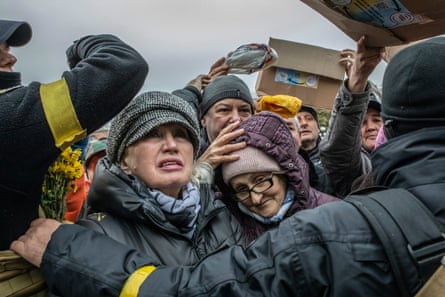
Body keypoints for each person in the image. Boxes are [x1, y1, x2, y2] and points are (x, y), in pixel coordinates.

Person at [11, 36, 445, 297]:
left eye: (180, 135)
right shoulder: (96, 231)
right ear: (120, 157)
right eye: (150, 135)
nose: (256, 196)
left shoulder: (231, 216)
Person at [0, 19, 148, 249]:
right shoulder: (8, 117)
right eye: (1, 51)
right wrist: (80, 47)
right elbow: (123, 63)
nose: (11, 58)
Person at [76, 90, 246, 265]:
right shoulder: (97, 235)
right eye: (152, 134)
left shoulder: (220, 215)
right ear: (124, 161)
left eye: (181, 134)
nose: (171, 145)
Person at [220, 111, 338, 241]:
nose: (256, 199)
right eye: (242, 189)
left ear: (284, 175)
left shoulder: (334, 215)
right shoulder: (229, 224)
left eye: (260, 181)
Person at [319, 35, 384, 197]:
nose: (370, 127)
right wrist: (357, 81)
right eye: (362, 123)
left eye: (376, 120)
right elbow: (339, 148)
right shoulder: (355, 166)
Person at [297, 104, 335, 195]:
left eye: (309, 118)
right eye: (297, 120)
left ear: (318, 128)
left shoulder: (334, 155)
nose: (304, 123)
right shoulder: (284, 162)